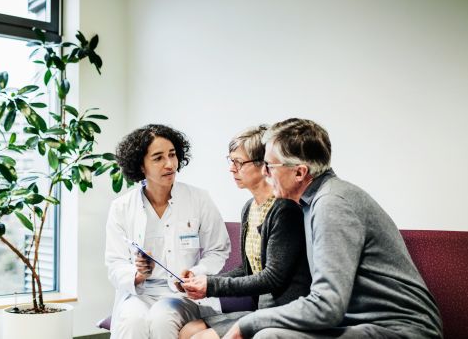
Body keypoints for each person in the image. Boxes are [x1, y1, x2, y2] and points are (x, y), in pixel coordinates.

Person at [222, 118, 442, 339]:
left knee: (268, 337)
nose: (266, 173)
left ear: (299, 172)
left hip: (400, 330)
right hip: (358, 324)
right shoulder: (313, 202)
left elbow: (327, 306)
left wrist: (248, 323)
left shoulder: (332, 203)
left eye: (270, 166)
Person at [178, 125, 312, 339]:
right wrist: (202, 279)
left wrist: (212, 285)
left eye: (239, 162)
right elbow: (249, 268)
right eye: (230, 161)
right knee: (188, 330)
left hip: (283, 312)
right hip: (262, 310)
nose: (232, 168)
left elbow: (271, 277)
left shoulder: (284, 209)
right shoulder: (250, 208)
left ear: (264, 165)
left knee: (200, 338)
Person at [105, 124, 231, 339]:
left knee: (162, 318)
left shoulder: (198, 199)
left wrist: (196, 273)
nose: (169, 164)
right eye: (158, 158)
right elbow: (115, 262)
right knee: (131, 321)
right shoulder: (122, 207)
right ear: (141, 165)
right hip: (139, 292)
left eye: (172, 155)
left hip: (183, 295)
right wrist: (137, 274)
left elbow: (218, 250)